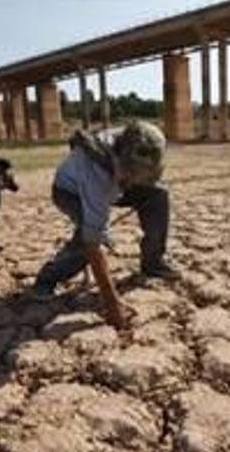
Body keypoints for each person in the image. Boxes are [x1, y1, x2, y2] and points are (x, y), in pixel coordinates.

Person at [31, 121, 180, 329]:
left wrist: (138, 179)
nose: (136, 179)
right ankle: (47, 279)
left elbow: (141, 169)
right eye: (132, 173)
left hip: (114, 182)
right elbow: (92, 246)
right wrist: (113, 304)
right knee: (89, 237)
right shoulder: (96, 177)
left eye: (140, 174)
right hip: (69, 192)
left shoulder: (135, 140)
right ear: (119, 160)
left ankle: (152, 263)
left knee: (157, 196)